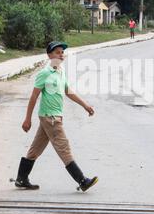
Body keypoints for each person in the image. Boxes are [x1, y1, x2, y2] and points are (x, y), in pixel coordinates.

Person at [15, 41, 98, 192]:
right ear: (49, 55)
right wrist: (27, 119)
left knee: (35, 149)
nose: (61, 55)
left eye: (62, 52)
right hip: (50, 118)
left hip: (52, 117)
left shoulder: (60, 71)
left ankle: (21, 179)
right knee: (64, 148)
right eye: (57, 52)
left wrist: (85, 105)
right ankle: (82, 180)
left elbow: (68, 91)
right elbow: (34, 97)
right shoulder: (44, 73)